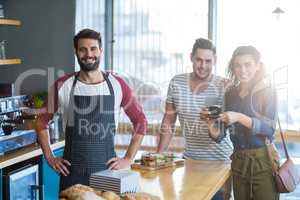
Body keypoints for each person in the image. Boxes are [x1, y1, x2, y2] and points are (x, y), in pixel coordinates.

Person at [35, 28, 147, 191]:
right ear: (76, 52)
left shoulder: (118, 85)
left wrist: (129, 158)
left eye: (93, 48)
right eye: (83, 49)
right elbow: (41, 122)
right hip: (72, 176)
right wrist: (50, 158)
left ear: (100, 50)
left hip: (109, 174)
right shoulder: (62, 85)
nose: (89, 54)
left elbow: (140, 121)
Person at [157, 38, 233, 200]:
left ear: (215, 61)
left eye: (208, 61)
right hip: (190, 162)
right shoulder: (177, 82)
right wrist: (159, 154)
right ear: (191, 57)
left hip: (220, 164)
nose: (203, 65)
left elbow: (223, 132)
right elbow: (169, 121)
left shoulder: (223, 86)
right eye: (198, 60)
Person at [206, 46, 280, 200]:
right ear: (233, 67)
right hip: (238, 162)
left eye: (248, 64)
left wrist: (239, 117)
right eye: (238, 65)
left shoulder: (268, 90)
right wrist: (212, 129)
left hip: (264, 161)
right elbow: (221, 134)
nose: (242, 70)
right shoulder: (230, 93)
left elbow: (269, 129)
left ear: (257, 66)